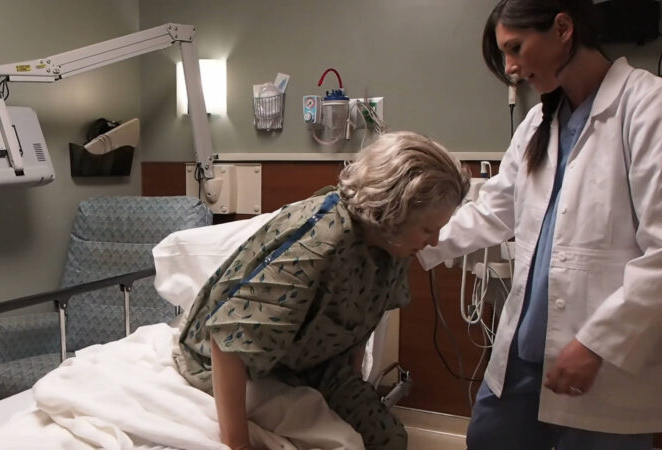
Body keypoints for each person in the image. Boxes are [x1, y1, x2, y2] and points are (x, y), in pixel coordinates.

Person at [417, 1, 662, 449]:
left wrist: (595, 345)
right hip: (521, 356)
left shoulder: (648, 107)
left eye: (516, 48)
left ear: (563, 28)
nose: (511, 68)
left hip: (603, 362)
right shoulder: (537, 123)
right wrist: (413, 241)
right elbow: (493, 210)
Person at [174, 131, 470, 450]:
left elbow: (360, 324)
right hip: (238, 366)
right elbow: (226, 341)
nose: (435, 242)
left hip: (317, 365)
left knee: (390, 438)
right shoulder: (316, 246)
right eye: (428, 230)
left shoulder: (394, 246)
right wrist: (239, 445)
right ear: (391, 213)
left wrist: (348, 394)